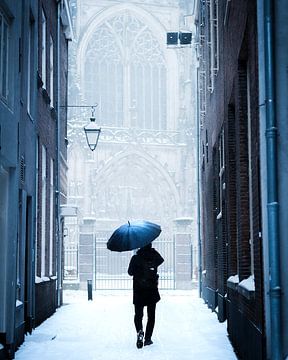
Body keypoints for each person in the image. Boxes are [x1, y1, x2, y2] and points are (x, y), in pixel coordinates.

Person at [128, 243, 164, 349]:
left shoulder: (135, 258)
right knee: (151, 316)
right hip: (152, 291)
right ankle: (148, 338)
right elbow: (161, 260)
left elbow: (130, 272)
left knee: (138, 315)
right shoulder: (154, 256)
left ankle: (139, 331)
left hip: (139, 291)